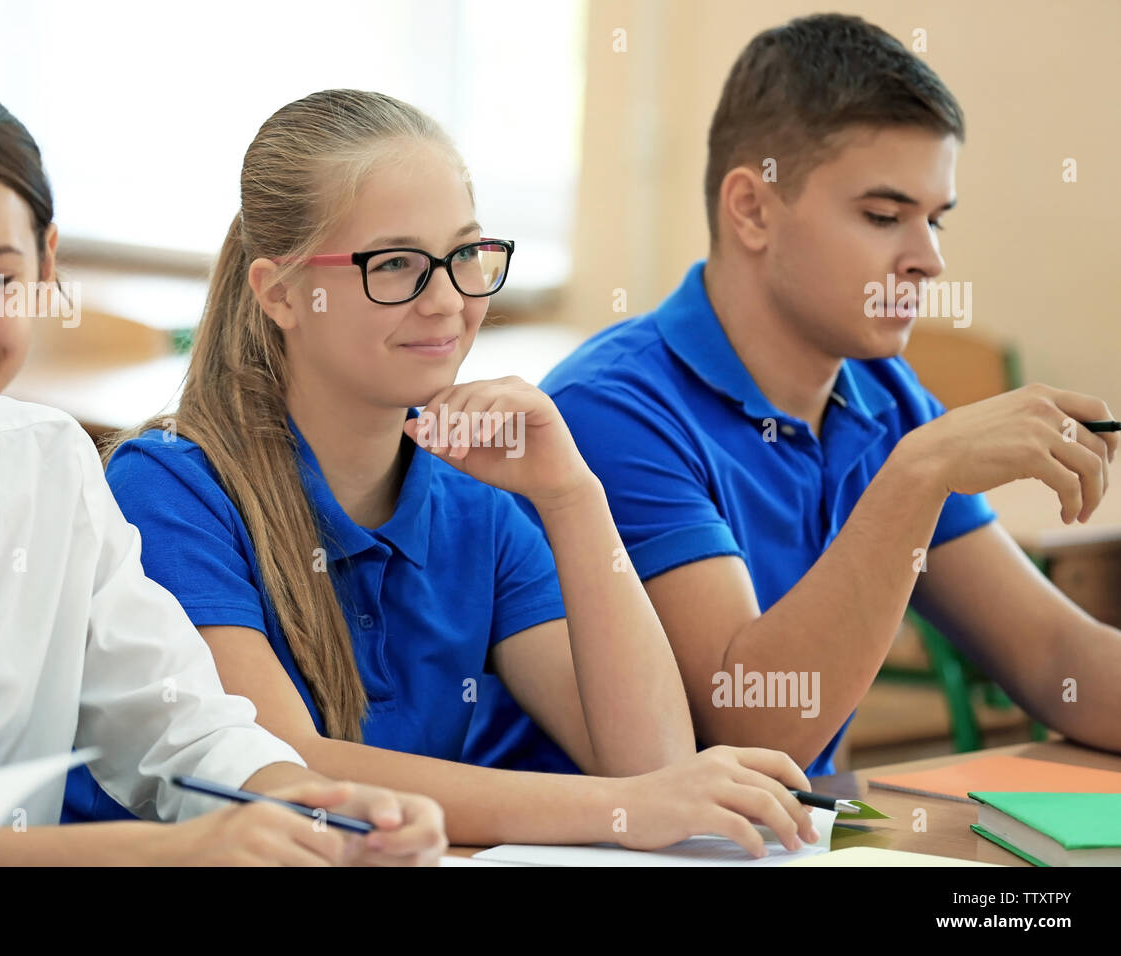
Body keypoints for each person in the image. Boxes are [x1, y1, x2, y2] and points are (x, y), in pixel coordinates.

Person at [64, 88, 819, 857]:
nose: (448, 300)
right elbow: (287, 772)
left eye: (464, 256)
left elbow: (649, 764)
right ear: (281, 293)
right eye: (395, 265)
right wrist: (624, 809)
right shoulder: (167, 491)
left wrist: (572, 496)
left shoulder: (478, 503)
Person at [0, 76, 446, 865]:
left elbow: (177, 719)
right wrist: (170, 853)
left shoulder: (52, 462)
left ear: (46, 267)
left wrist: (313, 805)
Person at [525, 13, 1121, 775]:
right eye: (883, 216)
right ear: (752, 208)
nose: (929, 260)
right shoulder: (610, 411)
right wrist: (919, 472)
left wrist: (917, 460)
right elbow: (751, 735)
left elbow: (1053, 654)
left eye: (935, 220)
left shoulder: (882, 395)